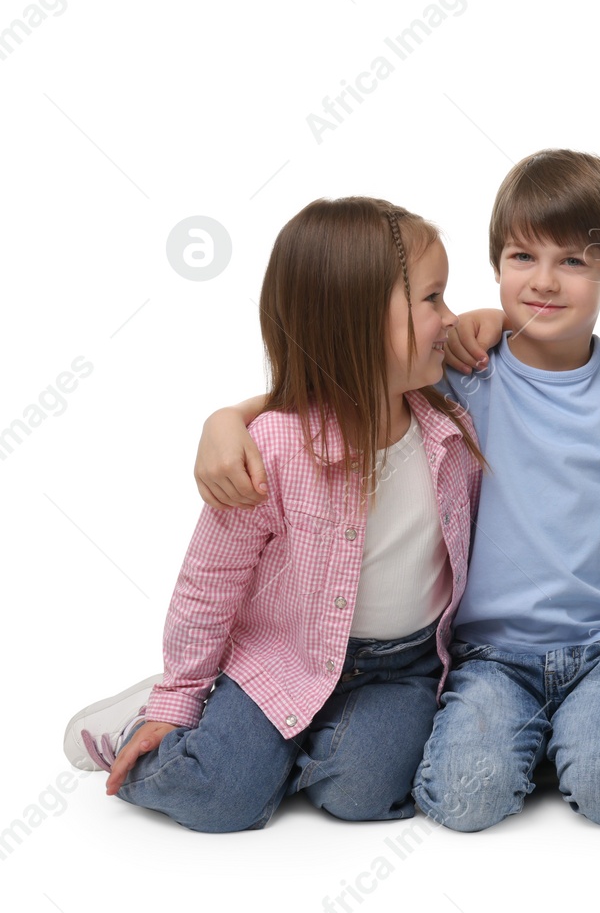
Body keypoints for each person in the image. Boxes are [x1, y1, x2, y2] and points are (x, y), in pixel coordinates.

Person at [190, 151, 600, 830]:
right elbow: (344, 379)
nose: (544, 282)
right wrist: (228, 417)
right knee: (463, 801)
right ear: (495, 265)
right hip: (486, 653)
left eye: (574, 262)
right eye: (523, 256)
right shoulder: (465, 375)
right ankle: (566, 739)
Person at [62, 197, 484, 832]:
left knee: (364, 793)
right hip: (280, 656)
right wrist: (180, 697)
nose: (450, 318)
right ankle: (148, 720)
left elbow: (539, 342)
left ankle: (271, 754)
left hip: (404, 668)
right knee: (221, 798)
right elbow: (210, 583)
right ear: (357, 320)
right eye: (432, 299)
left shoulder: (448, 426)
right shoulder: (277, 446)